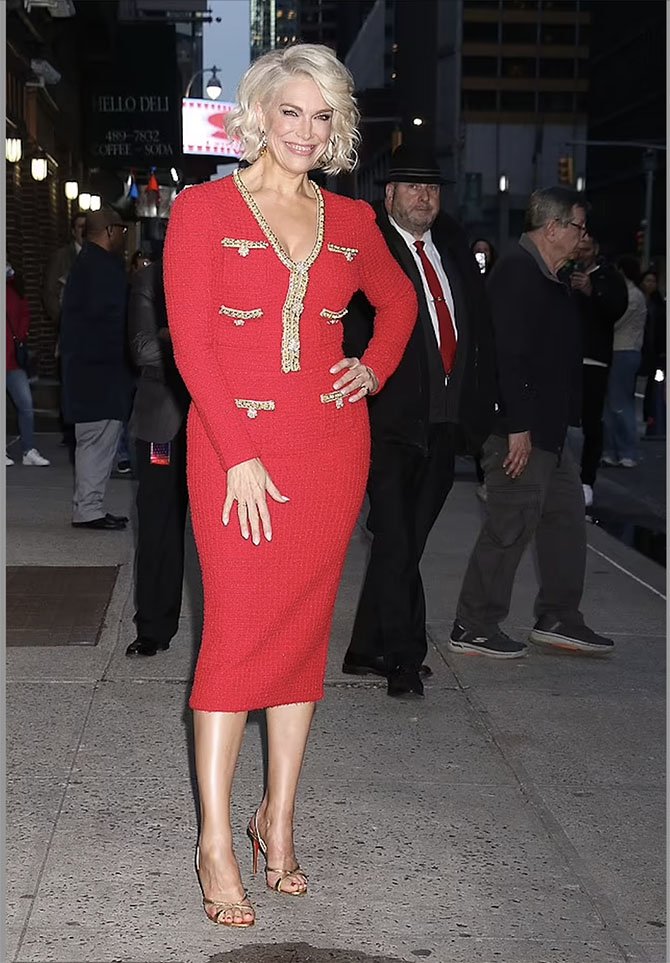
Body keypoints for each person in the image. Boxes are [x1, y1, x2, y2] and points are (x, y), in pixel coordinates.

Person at [162, 44, 416, 928]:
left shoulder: (353, 219)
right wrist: (237, 452)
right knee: (236, 635)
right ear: (261, 116)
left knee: (303, 636)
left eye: (322, 115)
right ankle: (214, 841)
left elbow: (400, 303)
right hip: (233, 449)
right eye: (292, 112)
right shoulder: (201, 209)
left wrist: (373, 367)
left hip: (328, 449)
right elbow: (192, 344)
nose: (306, 131)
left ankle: (278, 818)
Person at [340, 144, 497, 698]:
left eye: (431, 188)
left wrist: (486, 411)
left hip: (443, 425)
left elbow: (479, 330)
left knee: (405, 542)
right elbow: (350, 331)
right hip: (386, 423)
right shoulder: (369, 250)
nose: (425, 197)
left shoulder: (451, 249)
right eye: (413, 187)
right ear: (390, 195)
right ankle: (403, 659)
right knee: (398, 539)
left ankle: (364, 648)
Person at [450, 186, 615, 659]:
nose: (584, 237)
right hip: (520, 430)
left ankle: (560, 616)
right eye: (578, 227)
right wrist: (516, 426)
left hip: (550, 431)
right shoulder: (517, 274)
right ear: (553, 227)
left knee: (566, 521)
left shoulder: (551, 276)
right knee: (510, 524)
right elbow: (506, 356)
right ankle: (474, 624)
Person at [125, 256, 190, 658]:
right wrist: (196, 337)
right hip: (162, 423)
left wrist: (170, 334)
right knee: (158, 526)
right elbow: (143, 349)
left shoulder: (227, 270)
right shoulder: (150, 279)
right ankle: (153, 626)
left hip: (219, 419)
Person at [60, 206, 134, 530]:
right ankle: (88, 509)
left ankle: (89, 505)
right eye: (122, 230)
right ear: (109, 231)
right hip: (99, 375)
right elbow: (115, 322)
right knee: (96, 440)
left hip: (88, 372)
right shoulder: (102, 268)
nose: (124, 236)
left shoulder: (87, 264)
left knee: (95, 440)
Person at [564, 234, 628, 507]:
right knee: (559, 419)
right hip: (566, 358)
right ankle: (559, 477)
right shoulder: (564, 272)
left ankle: (586, 480)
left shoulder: (608, 277)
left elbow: (616, 309)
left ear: (596, 250)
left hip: (594, 359)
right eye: (578, 248)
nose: (582, 253)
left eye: (587, 249)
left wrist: (592, 291)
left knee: (591, 422)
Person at [43, 212, 87, 456]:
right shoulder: (62, 257)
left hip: (91, 331)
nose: (83, 231)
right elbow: (49, 293)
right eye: (79, 227)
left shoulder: (96, 256)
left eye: (86, 227)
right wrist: (62, 320)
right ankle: (69, 429)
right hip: (69, 329)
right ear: (73, 230)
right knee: (68, 379)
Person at [602, 256, 647, 468]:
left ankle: (626, 451)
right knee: (614, 403)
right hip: (621, 350)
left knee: (619, 403)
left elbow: (615, 321)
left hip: (623, 350)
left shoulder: (631, 295)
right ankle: (613, 450)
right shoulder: (631, 293)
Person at [5, 264, 50, 467]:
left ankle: (28, 449)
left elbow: (25, 312)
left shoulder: (15, 286)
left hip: (13, 359)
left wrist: (21, 335)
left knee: (26, 404)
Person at [469, 237, 497, 499]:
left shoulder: (496, 281)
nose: (481, 256)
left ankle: (489, 476)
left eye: (485, 252)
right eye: (477, 252)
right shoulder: (466, 279)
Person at [640, 268, 666, 438]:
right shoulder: (639, 300)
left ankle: (653, 420)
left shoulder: (658, 305)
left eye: (653, 281)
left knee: (655, 386)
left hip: (655, 352)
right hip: (641, 348)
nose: (650, 284)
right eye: (647, 280)